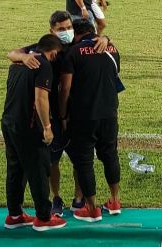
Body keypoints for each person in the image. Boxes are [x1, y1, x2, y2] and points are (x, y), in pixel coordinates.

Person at [7, 11, 111, 216]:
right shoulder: (45, 48)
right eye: (61, 29)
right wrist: (23, 57)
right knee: (51, 160)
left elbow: (101, 35)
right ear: (52, 31)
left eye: (68, 27)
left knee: (80, 159)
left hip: (78, 114)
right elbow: (11, 53)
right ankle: (55, 198)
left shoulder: (79, 46)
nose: (66, 32)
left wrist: (106, 38)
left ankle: (79, 198)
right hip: (54, 116)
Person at [1, 34, 67, 232]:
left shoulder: (18, 62)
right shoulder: (43, 65)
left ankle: (14, 214)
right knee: (38, 170)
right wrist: (47, 127)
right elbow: (41, 99)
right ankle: (44, 218)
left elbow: (11, 54)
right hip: (28, 128)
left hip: (9, 122)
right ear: (53, 53)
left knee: (15, 170)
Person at [60, 19, 123, 224]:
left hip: (83, 116)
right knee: (110, 155)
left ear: (77, 35)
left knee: (84, 161)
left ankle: (92, 208)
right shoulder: (112, 49)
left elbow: (66, 88)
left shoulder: (74, 52)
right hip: (109, 113)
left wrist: (62, 115)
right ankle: (114, 201)